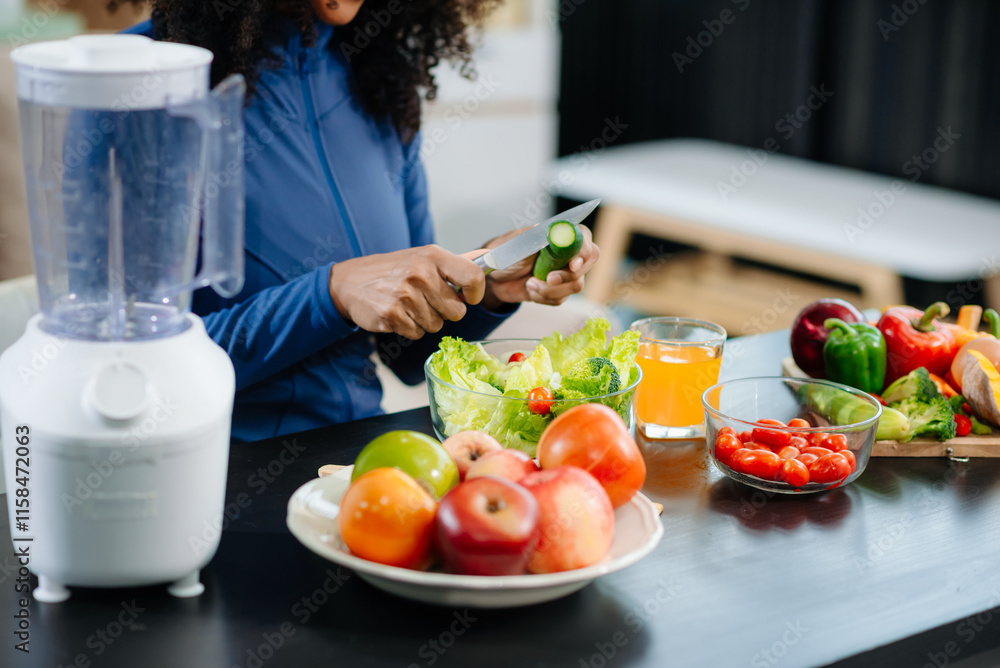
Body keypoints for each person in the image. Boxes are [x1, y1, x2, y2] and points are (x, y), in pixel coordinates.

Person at [114, 0, 600, 442]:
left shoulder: (378, 79)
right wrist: (330, 294)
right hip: (207, 478)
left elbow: (406, 355)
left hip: (356, 470)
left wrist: (491, 286)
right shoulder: (134, 82)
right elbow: (132, 371)